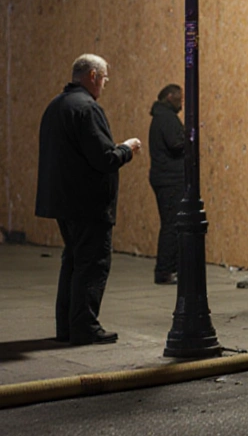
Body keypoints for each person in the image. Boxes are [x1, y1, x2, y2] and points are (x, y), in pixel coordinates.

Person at [35, 54, 142, 345]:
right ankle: (84, 327)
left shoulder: (56, 106)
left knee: (72, 261)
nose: (105, 84)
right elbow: (104, 159)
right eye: (104, 78)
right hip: (88, 202)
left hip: (63, 201)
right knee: (92, 263)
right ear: (93, 76)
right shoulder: (87, 108)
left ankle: (67, 326)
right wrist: (127, 149)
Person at [147, 84, 187, 285]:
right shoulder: (167, 118)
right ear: (170, 96)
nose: (182, 102)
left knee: (171, 224)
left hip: (164, 178)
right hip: (170, 179)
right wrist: (190, 137)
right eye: (179, 98)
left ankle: (170, 269)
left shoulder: (160, 117)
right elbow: (176, 144)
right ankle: (165, 271)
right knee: (172, 225)